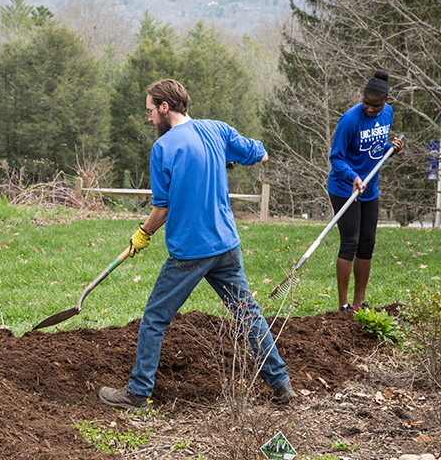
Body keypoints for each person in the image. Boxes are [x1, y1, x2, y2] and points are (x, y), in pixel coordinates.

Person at [97, 79, 295, 410]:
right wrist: (226, 159)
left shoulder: (162, 149)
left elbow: (162, 208)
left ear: (164, 107)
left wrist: (142, 234)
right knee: (248, 315)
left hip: (191, 252)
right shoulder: (216, 131)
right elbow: (259, 153)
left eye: (149, 111)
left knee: (155, 318)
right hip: (226, 245)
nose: (148, 119)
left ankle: (137, 393)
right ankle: (282, 385)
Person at [327, 70, 405, 314]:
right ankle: (344, 305)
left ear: (385, 101)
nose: (370, 109)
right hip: (344, 188)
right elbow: (336, 158)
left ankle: (360, 303)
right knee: (350, 242)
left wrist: (391, 148)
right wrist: (354, 176)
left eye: (376, 106)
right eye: (366, 104)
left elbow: (375, 148)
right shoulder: (349, 120)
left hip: (370, 188)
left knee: (367, 244)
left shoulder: (388, 113)